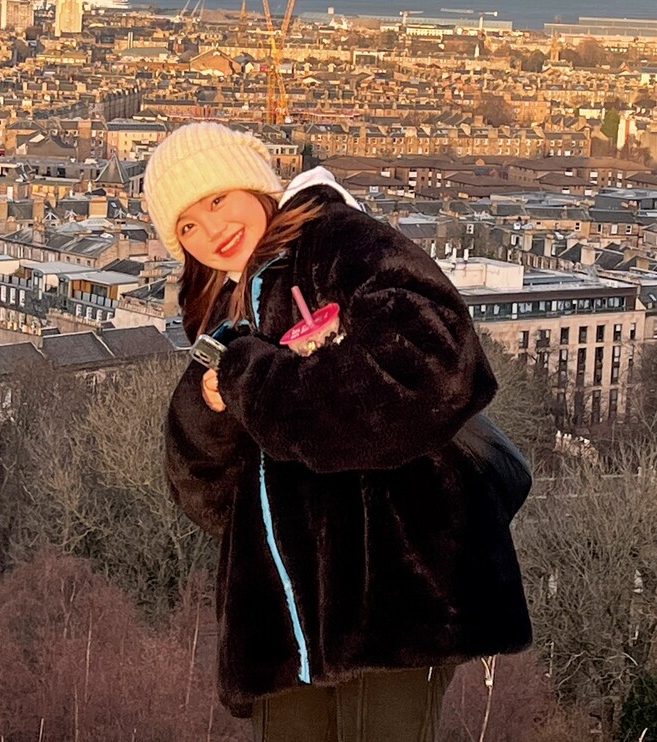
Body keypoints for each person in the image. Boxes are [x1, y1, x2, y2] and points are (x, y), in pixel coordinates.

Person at [144, 122, 532, 741]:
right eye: (186, 224)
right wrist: (208, 411)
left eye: (216, 199)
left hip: (395, 595)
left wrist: (257, 383)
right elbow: (210, 498)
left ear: (255, 183)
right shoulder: (226, 310)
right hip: (283, 625)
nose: (210, 231)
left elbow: (436, 366)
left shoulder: (340, 242)